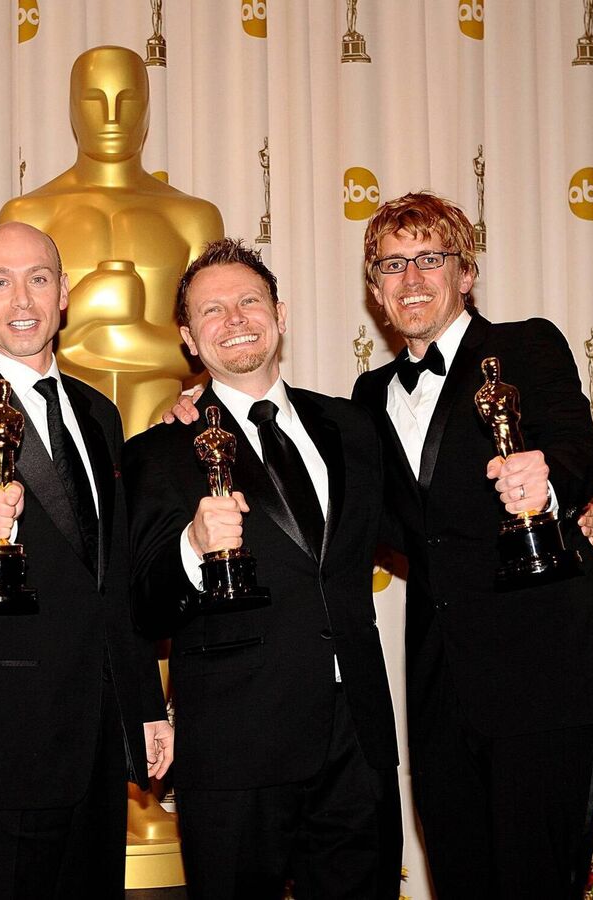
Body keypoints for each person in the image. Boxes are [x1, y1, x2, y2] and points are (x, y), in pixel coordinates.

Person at [352, 192, 593, 899]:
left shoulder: (527, 344)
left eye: (429, 259)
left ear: (465, 271)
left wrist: (553, 481)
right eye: (392, 264)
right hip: (439, 678)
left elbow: (579, 447)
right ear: (375, 290)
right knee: (460, 876)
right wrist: (198, 413)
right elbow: (358, 513)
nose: (411, 279)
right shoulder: (366, 394)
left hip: (546, 664)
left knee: (539, 881)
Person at [123, 239, 402, 899]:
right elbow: (140, 604)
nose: (236, 319)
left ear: (281, 312)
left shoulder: (353, 426)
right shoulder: (160, 451)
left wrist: (555, 509)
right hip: (235, 744)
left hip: (356, 736)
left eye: (249, 301)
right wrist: (191, 545)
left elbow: (418, 527)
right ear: (189, 338)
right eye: (211, 311)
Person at [0, 221, 173, 898]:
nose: (21, 298)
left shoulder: (100, 413)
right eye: (0, 281)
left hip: (98, 739)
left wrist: (146, 703)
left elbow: (112, 579)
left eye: (38, 278)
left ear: (65, 296)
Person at [0, 45, 224, 436]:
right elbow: (10, 337)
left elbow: (211, 344)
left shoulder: (194, 217)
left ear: (148, 106)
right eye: (94, 99)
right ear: (72, 107)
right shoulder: (27, 214)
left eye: (128, 99)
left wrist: (93, 336)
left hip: (163, 420)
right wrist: (91, 303)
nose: (112, 116)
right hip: (56, 420)